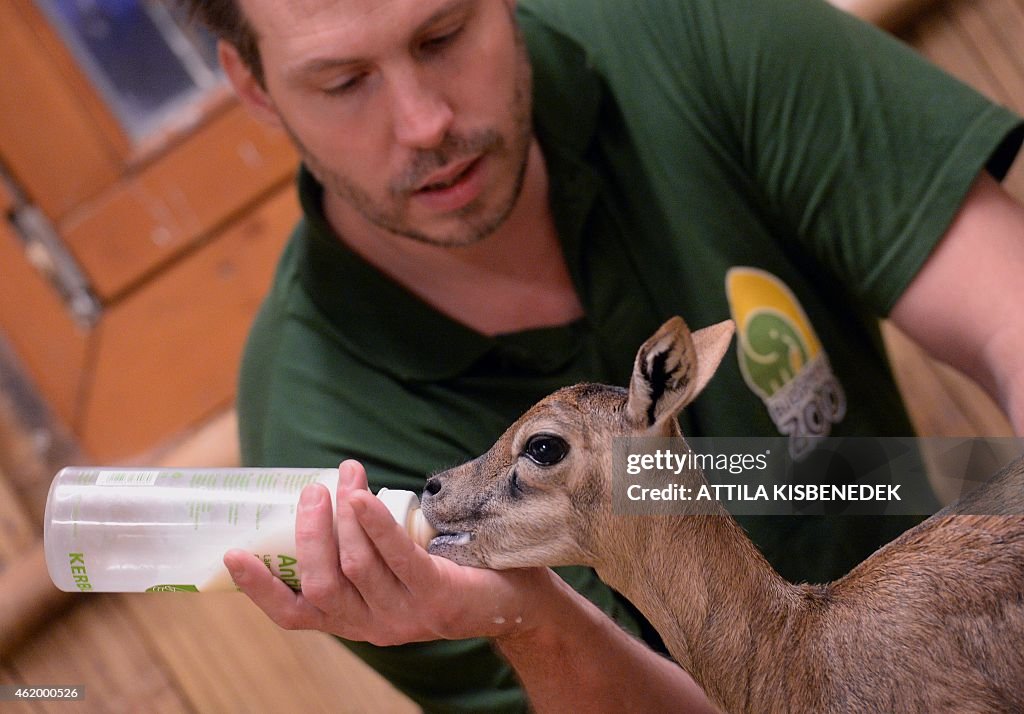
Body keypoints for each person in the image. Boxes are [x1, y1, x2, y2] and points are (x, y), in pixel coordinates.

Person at [181, 0, 1024, 709]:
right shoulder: (322, 437)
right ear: (253, 84)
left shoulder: (698, 29)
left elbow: (1008, 316)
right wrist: (531, 621)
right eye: (343, 82)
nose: (425, 122)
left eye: (442, 35)